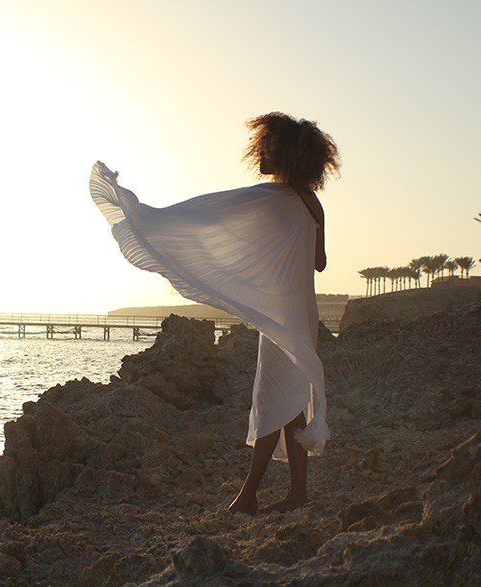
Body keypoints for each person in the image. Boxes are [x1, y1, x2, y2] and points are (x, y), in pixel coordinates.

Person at [90, 112, 341, 514]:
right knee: (289, 402)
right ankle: (295, 494)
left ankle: (249, 495)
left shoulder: (272, 198)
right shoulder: (312, 204)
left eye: (272, 148)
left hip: (280, 316)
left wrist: (151, 220)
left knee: (271, 399)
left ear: (290, 155)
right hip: (300, 313)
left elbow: (210, 219)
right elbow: (320, 263)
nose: (263, 153)